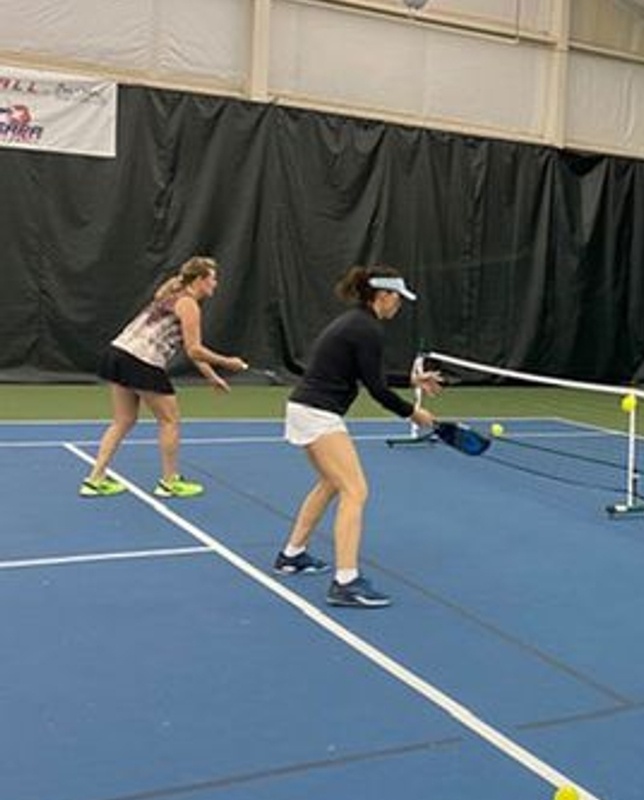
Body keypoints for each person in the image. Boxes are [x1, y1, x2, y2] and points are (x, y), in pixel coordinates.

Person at [273, 265, 442, 609]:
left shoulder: (357, 323)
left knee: (331, 483)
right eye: (398, 297)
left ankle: (292, 555)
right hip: (318, 413)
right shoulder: (366, 328)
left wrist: (412, 382)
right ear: (383, 295)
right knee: (355, 490)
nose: (399, 304)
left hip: (306, 409)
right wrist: (414, 413)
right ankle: (345, 581)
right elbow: (377, 390)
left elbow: (370, 375)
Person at [81, 256, 248, 498]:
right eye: (213, 278)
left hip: (118, 353)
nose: (216, 284)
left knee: (123, 421)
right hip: (141, 361)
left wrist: (211, 376)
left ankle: (94, 479)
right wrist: (227, 362)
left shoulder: (171, 297)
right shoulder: (188, 304)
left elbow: (191, 351)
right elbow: (195, 349)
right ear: (200, 280)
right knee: (170, 421)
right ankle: (169, 483)